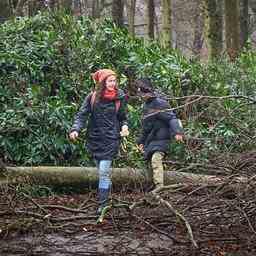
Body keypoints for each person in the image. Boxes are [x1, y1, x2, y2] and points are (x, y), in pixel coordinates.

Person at [69, 69, 129, 214]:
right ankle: (106, 197)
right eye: (110, 81)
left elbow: (123, 118)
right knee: (103, 172)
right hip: (95, 139)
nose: (113, 84)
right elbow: (82, 115)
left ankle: (102, 206)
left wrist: (125, 126)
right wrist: (75, 129)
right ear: (102, 82)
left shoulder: (120, 97)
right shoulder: (92, 97)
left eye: (114, 81)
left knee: (103, 172)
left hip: (111, 139)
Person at [136, 78, 184, 190]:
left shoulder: (160, 103)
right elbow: (146, 128)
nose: (142, 96)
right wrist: (141, 142)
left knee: (156, 160)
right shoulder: (146, 106)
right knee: (149, 164)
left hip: (162, 140)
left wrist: (177, 132)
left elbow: (172, 118)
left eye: (144, 93)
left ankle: (159, 187)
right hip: (152, 140)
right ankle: (151, 185)